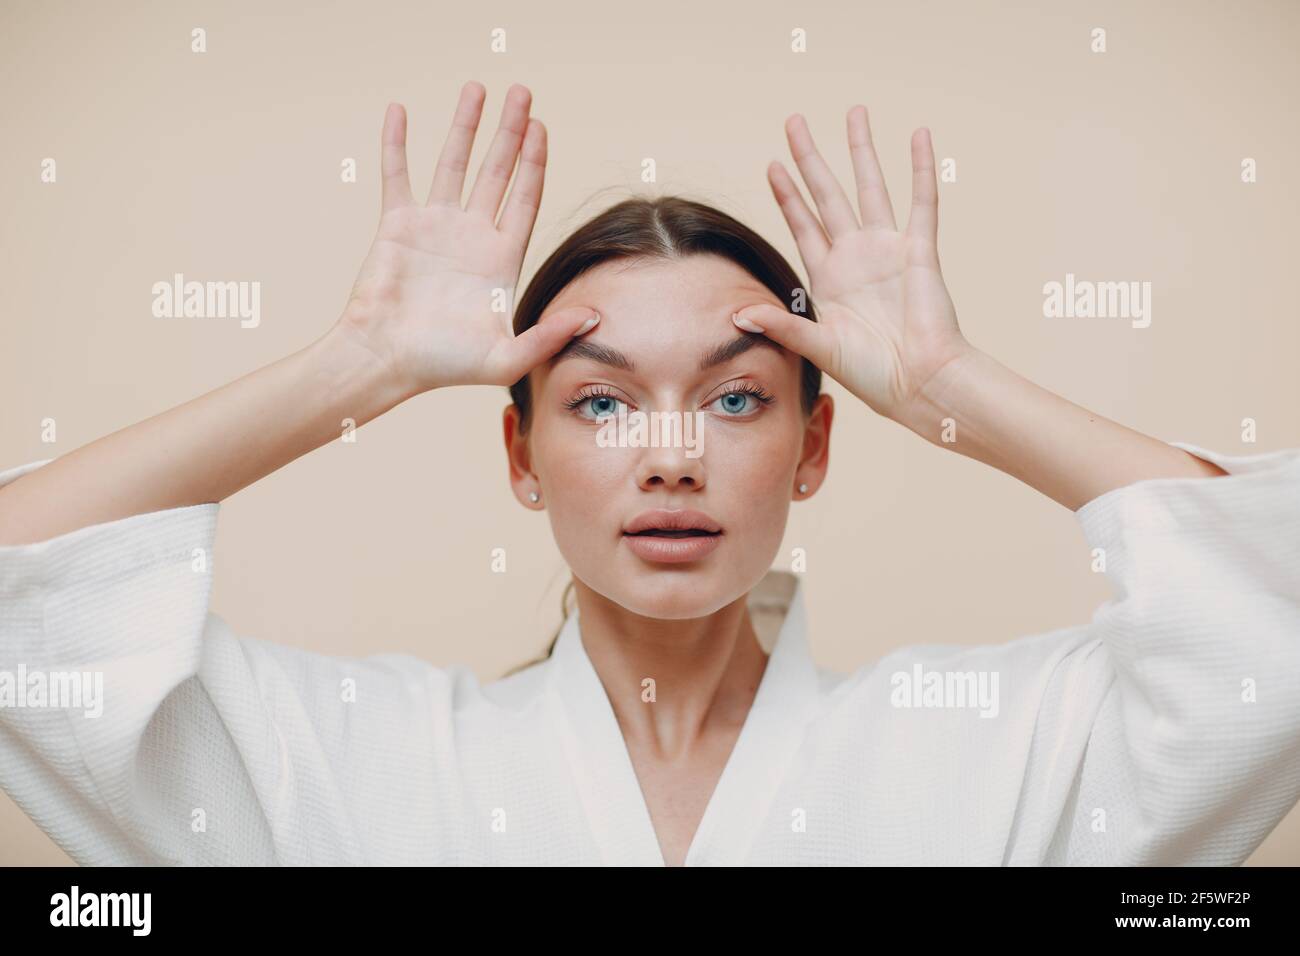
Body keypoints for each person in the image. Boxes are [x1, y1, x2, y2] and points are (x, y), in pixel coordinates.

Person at [1, 81, 1297, 867]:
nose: (672, 454)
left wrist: (955, 386)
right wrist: (359, 366)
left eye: (737, 398)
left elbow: (1269, 633)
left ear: (818, 446)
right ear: (521, 453)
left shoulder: (973, 751)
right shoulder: (370, 764)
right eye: (602, 401)